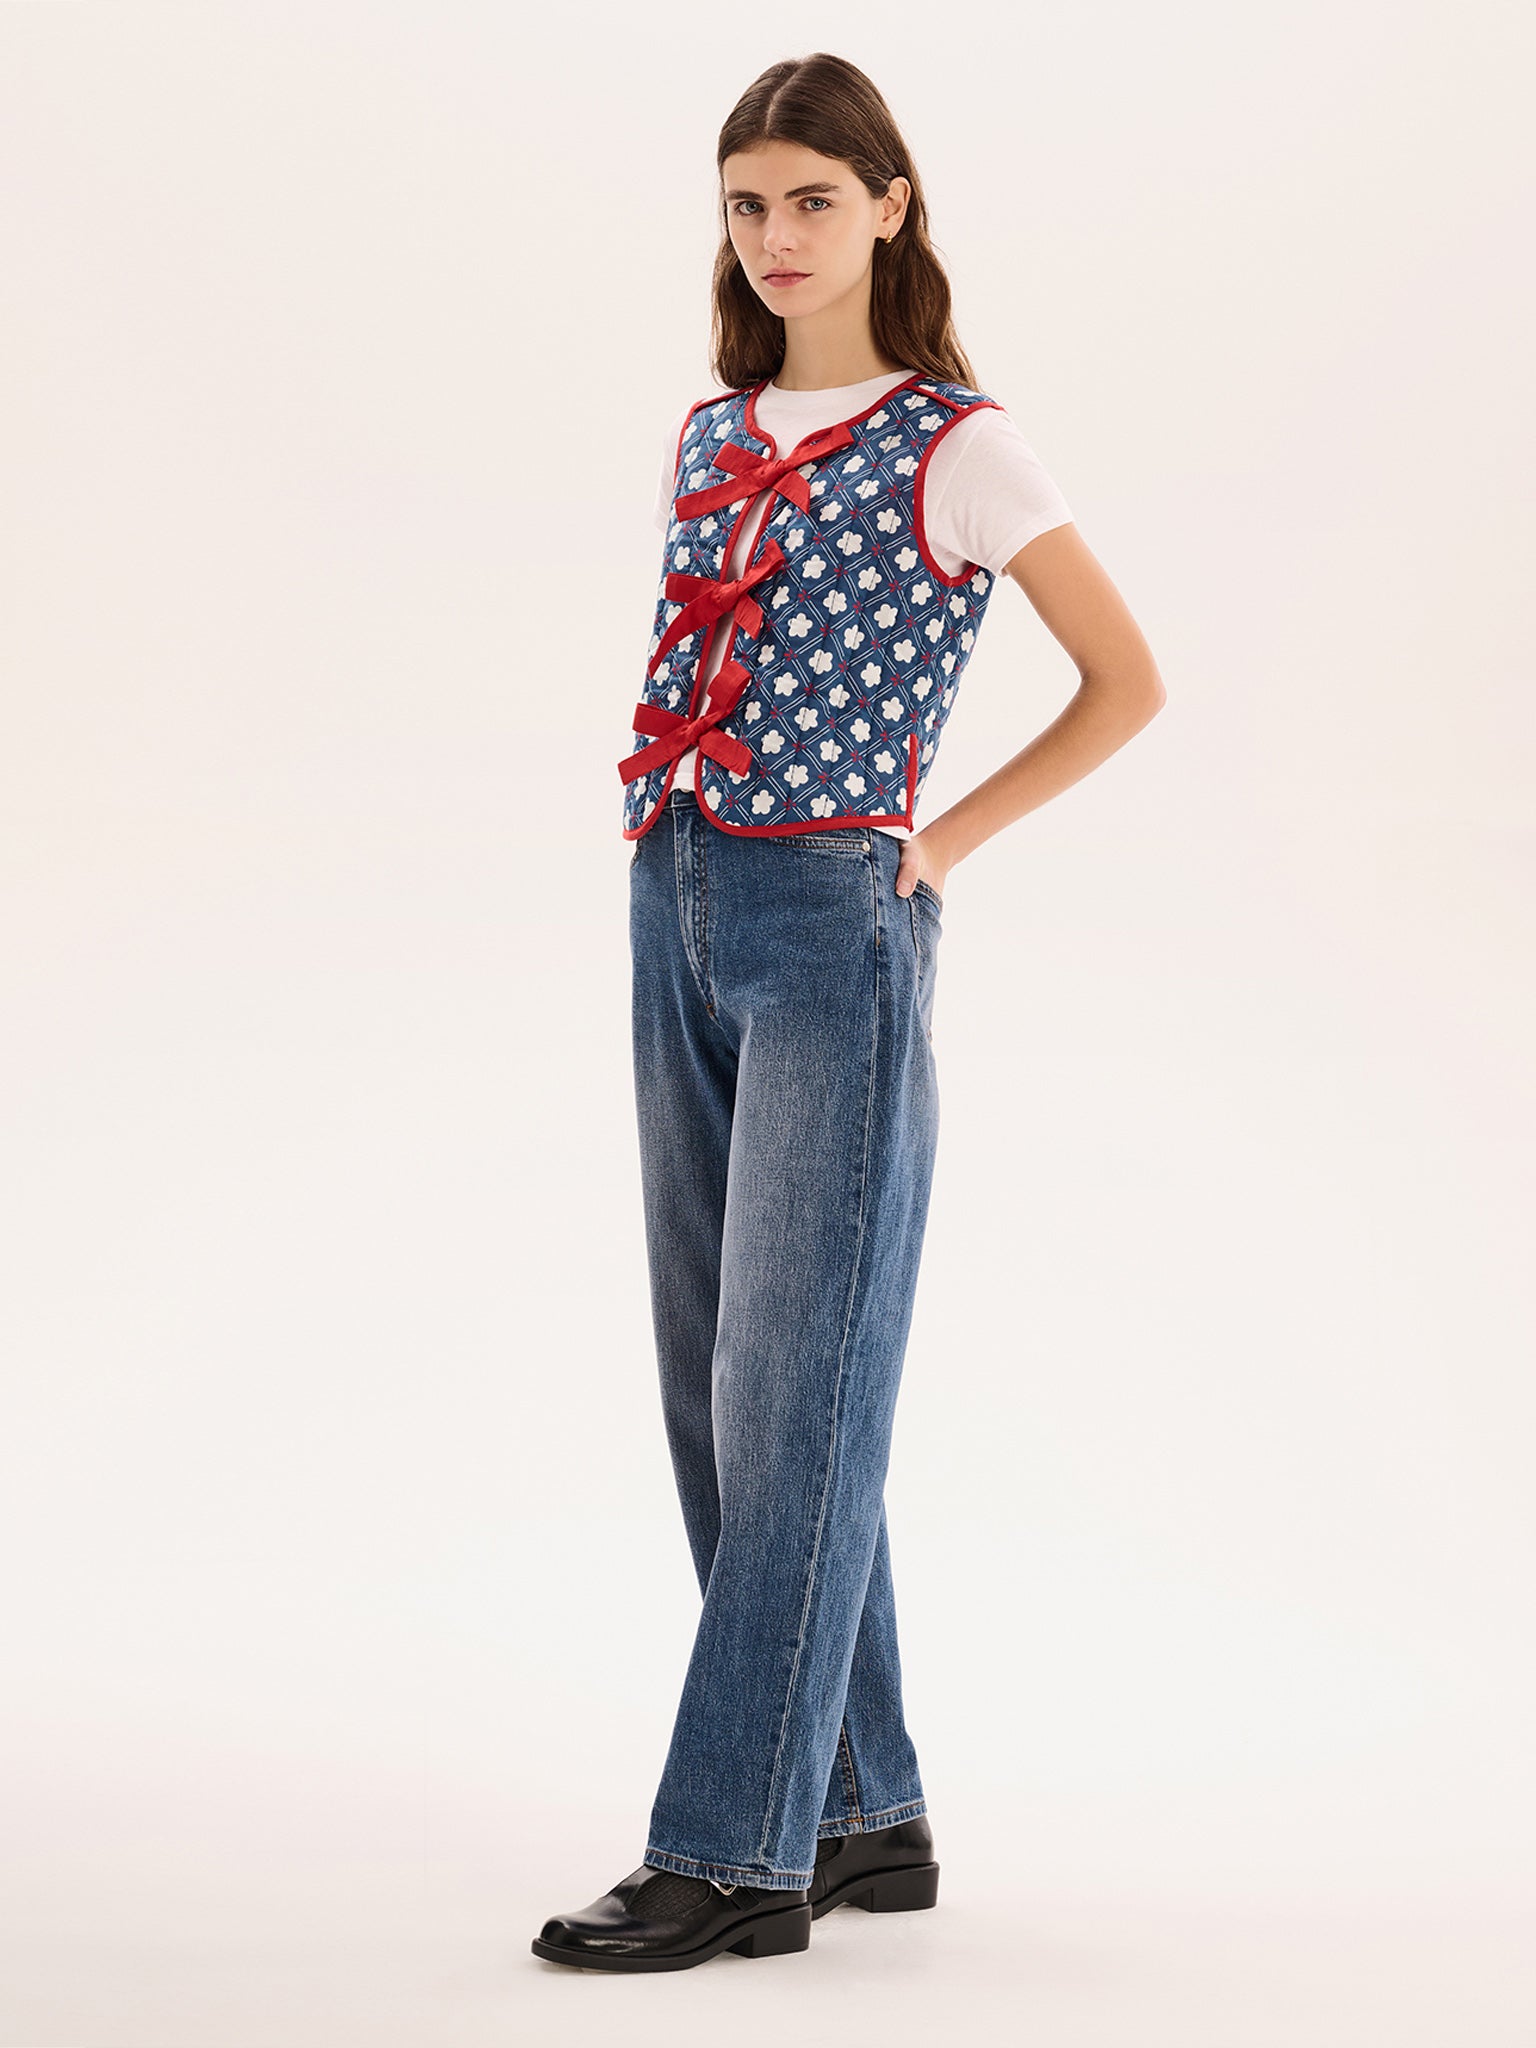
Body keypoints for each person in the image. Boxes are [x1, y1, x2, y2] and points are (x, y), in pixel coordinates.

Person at [532, 51, 1164, 1975]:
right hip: (673, 892)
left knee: (797, 1390)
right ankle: (866, 1806)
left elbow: (1126, 680)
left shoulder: (960, 444)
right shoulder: (711, 431)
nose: (776, 237)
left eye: (813, 198)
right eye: (747, 204)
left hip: (833, 922)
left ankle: (735, 1847)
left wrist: (937, 845)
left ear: (890, 205)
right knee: (716, 1387)